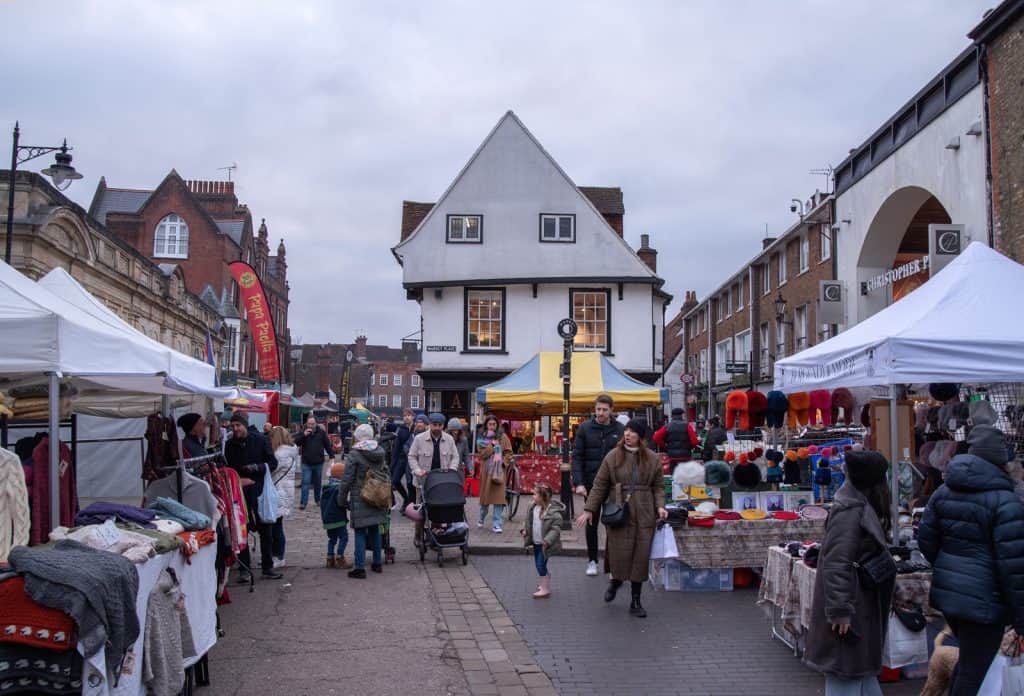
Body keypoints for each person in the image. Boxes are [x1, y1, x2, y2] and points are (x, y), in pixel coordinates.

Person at [918, 425, 1024, 695]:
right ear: (1002, 460)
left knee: (967, 665)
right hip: (985, 602)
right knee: (973, 671)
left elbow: (927, 542)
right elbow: (1015, 567)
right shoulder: (1007, 502)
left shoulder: (943, 491)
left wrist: (950, 568)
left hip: (952, 597)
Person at [804, 451, 895, 695]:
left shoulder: (856, 506)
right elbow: (836, 563)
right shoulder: (850, 511)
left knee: (860, 674)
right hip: (852, 608)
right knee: (847, 673)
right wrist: (840, 611)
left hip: (859, 605)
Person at [575, 419, 666, 618]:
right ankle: (616, 581)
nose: (627, 434)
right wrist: (589, 509)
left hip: (644, 511)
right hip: (619, 508)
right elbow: (599, 485)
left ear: (641, 437)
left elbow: (658, 486)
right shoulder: (613, 456)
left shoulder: (652, 459)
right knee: (619, 552)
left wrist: (660, 507)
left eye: (633, 432)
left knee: (640, 555)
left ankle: (635, 600)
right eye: (626, 430)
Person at [224, 412, 283, 580]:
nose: (235, 429)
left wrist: (257, 467)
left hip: (259, 491)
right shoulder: (229, 445)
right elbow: (228, 468)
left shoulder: (260, 440)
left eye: (238, 425)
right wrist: (238, 479)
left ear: (245, 425)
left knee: (266, 530)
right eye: (233, 426)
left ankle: (267, 566)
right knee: (241, 529)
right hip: (239, 492)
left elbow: (273, 463)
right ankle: (244, 569)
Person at [571, 394, 625, 576]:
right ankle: (592, 560)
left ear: (611, 410)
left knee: (613, 524)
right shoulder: (585, 428)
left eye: (604, 410)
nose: (601, 413)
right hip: (591, 484)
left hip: (613, 485)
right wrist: (579, 482)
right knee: (591, 523)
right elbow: (577, 456)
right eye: (598, 409)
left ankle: (612, 564)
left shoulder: (620, 429)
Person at [336, 424, 390, 579]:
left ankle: (359, 568)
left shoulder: (354, 453)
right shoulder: (379, 451)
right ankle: (377, 563)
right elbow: (386, 471)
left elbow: (347, 479)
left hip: (360, 495)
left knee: (360, 531)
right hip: (377, 494)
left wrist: (341, 498)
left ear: (357, 436)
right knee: (375, 529)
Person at [407, 413, 460, 543]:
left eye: (439, 425)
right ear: (429, 425)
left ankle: (437, 533)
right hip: (423, 481)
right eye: (434, 425)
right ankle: (418, 535)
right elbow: (411, 456)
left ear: (443, 426)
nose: (437, 428)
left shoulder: (449, 439)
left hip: (442, 481)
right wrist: (417, 470)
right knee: (421, 509)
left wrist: (452, 470)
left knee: (440, 507)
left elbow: (455, 456)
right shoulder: (419, 439)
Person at [521, 482, 564, 599]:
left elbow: (556, 529)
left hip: (545, 544)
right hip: (536, 542)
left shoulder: (553, 513)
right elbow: (528, 522)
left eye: (535, 494)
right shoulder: (532, 507)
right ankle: (544, 581)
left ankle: (545, 588)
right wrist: (525, 530)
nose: (532, 496)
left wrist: (548, 540)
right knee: (539, 564)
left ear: (542, 497)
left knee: (540, 565)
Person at [269, 426, 299, 569]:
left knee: (276, 526)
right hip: (284, 491)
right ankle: (276, 555)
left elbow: (272, 469)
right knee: (276, 525)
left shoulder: (280, 454)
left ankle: (278, 556)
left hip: (278, 491)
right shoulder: (291, 451)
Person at [475, 415, 512, 533]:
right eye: (489, 424)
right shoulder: (481, 438)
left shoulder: (503, 437)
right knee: (485, 499)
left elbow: (508, 452)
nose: (492, 426)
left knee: (498, 499)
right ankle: (481, 518)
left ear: (497, 425)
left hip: (499, 471)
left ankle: (497, 524)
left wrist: (504, 463)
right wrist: (492, 445)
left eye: (494, 424)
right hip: (486, 471)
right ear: (486, 425)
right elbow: (481, 455)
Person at [294, 414, 334, 510]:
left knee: (317, 483)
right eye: (309, 424)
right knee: (305, 483)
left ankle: (317, 500)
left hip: (318, 462)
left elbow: (327, 445)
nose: (311, 426)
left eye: (313, 424)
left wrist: (332, 456)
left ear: (316, 423)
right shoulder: (303, 432)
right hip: (306, 462)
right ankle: (303, 502)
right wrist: (304, 435)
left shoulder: (321, 433)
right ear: (306, 423)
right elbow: (296, 442)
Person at [320, 460, 351, 568]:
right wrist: (349, 506)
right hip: (338, 518)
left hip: (327, 519)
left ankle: (329, 558)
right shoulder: (339, 488)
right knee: (344, 537)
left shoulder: (326, 488)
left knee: (332, 539)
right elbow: (341, 502)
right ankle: (340, 556)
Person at [391, 409, 416, 509]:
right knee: (396, 480)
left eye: (409, 415)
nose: (406, 417)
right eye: (405, 415)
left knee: (410, 483)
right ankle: (405, 498)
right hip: (402, 458)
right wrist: (393, 464)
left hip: (413, 459)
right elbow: (396, 448)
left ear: (413, 416)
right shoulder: (401, 430)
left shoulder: (416, 429)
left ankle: (410, 504)